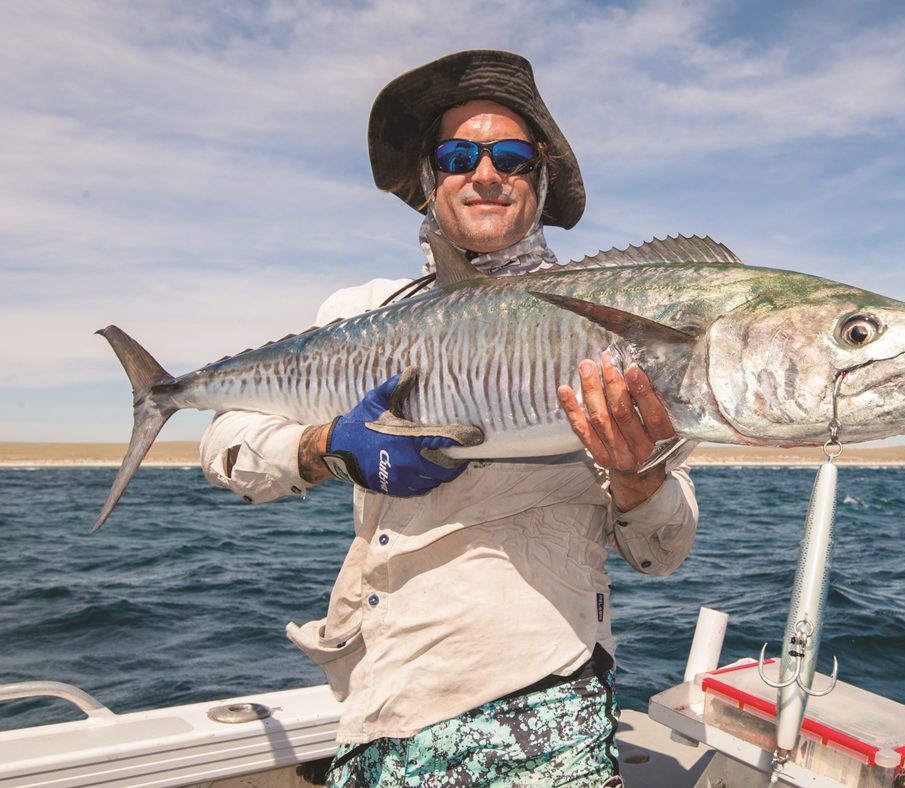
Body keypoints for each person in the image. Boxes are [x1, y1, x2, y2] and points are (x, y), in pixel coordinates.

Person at [198, 50, 698, 787]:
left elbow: (663, 549)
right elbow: (224, 448)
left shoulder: (612, 324)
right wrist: (326, 445)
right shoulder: (359, 313)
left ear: (539, 180)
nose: (486, 173)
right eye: (459, 155)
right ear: (432, 180)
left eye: (514, 158)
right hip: (380, 695)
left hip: (543, 694)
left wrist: (636, 477)